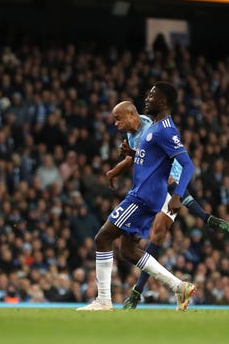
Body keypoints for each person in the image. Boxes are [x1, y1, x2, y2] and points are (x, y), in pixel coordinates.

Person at [77, 82, 196, 311]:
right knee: (128, 251)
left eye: (152, 96)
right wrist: (132, 155)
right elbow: (152, 158)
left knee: (102, 238)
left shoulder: (164, 130)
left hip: (143, 196)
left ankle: (103, 300)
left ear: (162, 102)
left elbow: (187, 165)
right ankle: (178, 286)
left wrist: (178, 195)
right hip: (145, 193)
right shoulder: (155, 128)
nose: (147, 99)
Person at [106, 100, 229, 309]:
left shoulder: (153, 129)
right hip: (151, 189)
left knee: (156, 233)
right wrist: (115, 170)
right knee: (132, 247)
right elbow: (137, 159)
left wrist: (188, 204)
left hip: (165, 186)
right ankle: (175, 287)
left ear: (132, 116)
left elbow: (174, 174)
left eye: (118, 119)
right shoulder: (132, 134)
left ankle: (138, 293)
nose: (116, 124)